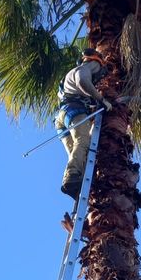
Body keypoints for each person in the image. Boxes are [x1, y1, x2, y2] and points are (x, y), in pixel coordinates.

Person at [56, 48, 112, 199]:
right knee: (83, 141)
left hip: (62, 118)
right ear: (94, 61)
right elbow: (83, 81)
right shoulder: (84, 68)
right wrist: (101, 100)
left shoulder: (69, 80)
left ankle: (75, 184)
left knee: (79, 153)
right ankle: (72, 175)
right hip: (73, 112)